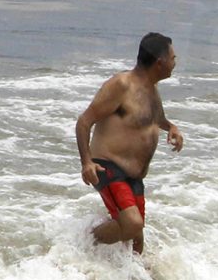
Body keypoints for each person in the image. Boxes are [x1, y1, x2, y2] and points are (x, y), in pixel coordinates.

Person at [75, 32, 183, 254]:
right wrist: (86, 163)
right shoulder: (122, 85)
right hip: (108, 167)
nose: (175, 62)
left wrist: (171, 127)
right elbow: (84, 122)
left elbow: (156, 119)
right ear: (160, 63)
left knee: (136, 243)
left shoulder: (152, 89)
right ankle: (84, 243)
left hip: (133, 175)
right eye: (173, 58)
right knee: (132, 224)